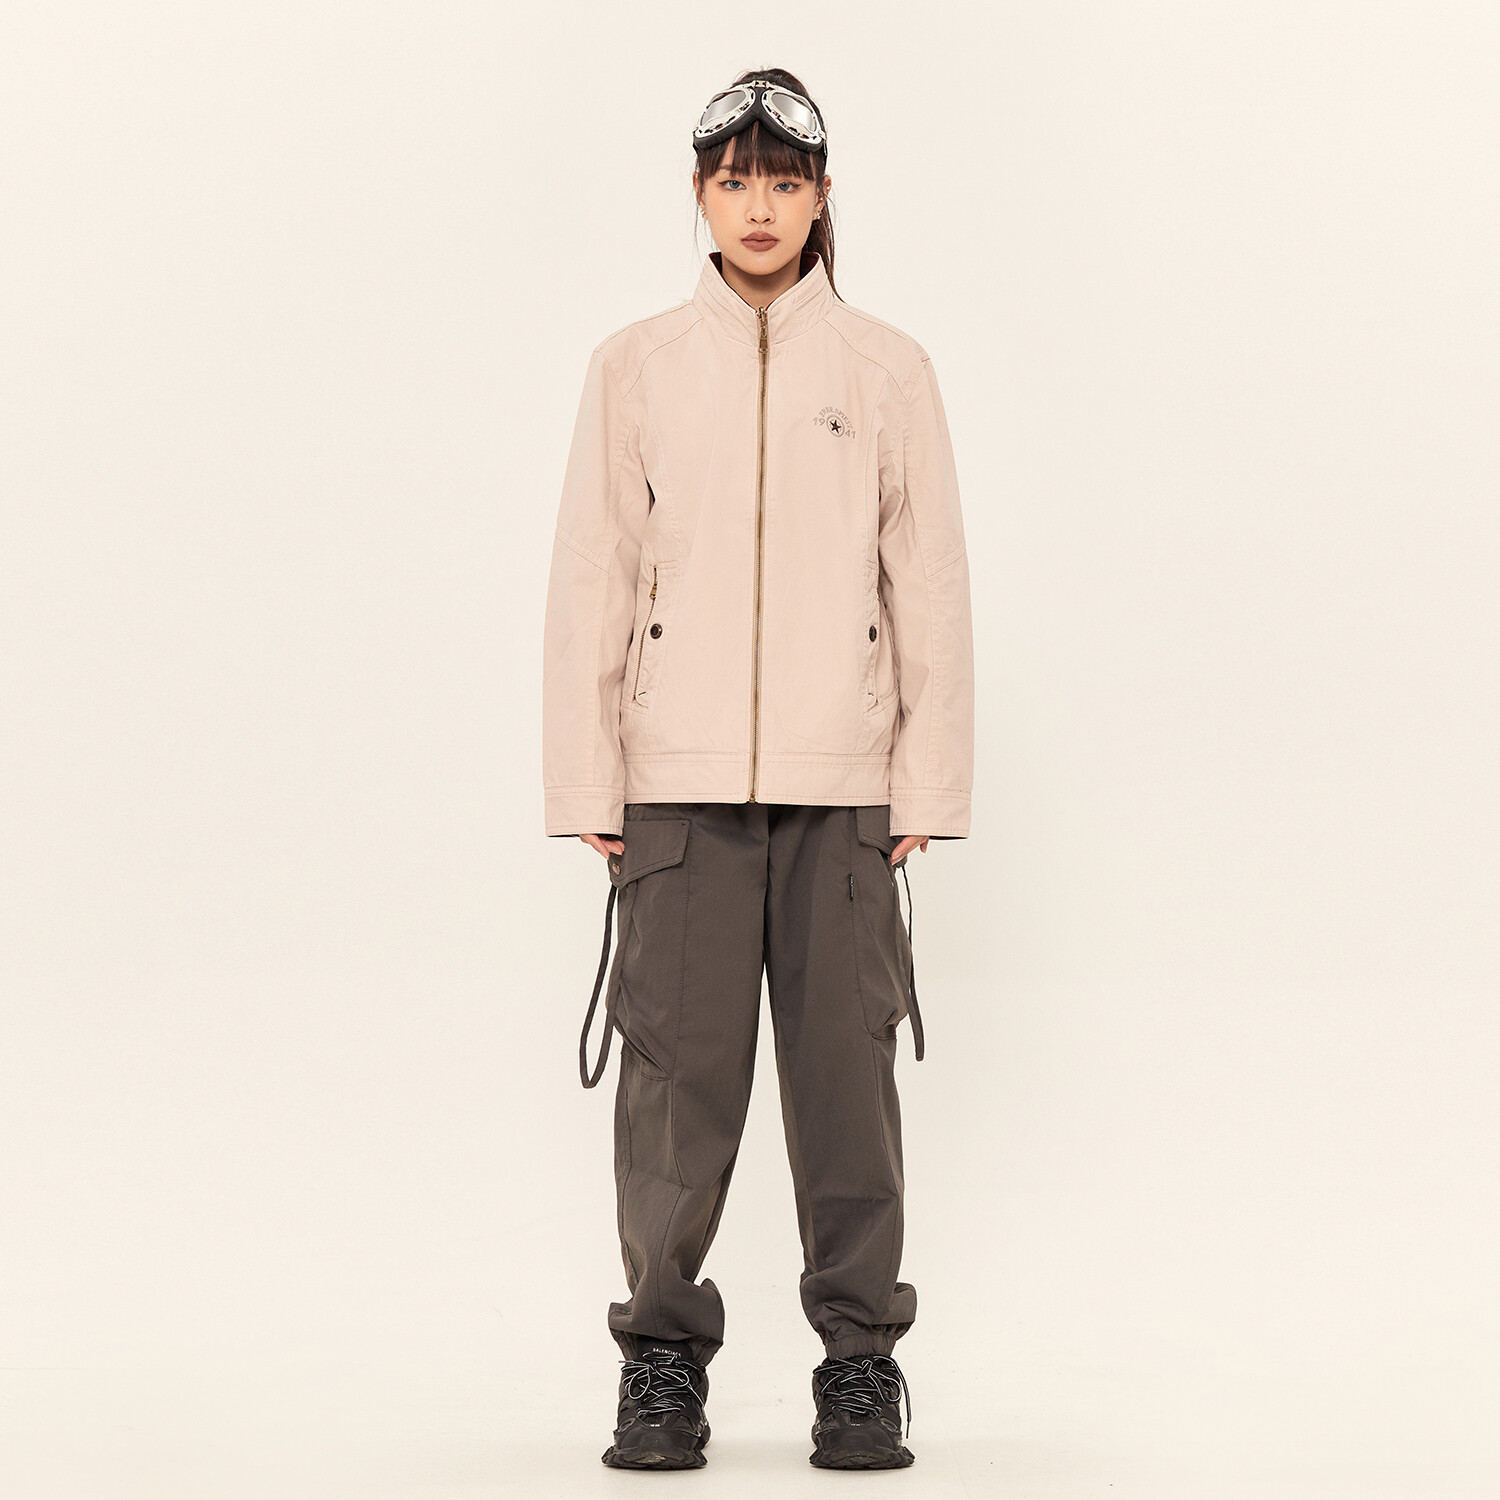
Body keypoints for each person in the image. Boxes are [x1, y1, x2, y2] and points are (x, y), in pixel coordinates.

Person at [541, 66, 974, 1471]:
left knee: (847, 1089)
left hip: (844, 790)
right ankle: (662, 1362)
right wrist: (589, 780)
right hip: (674, 793)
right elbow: (596, 575)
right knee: (676, 1091)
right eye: (735, 182)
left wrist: (926, 785)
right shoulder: (636, 367)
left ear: (824, 195)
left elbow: (929, 585)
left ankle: (860, 1363)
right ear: (700, 194)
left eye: (786, 182)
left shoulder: (888, 370)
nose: (761, 208)